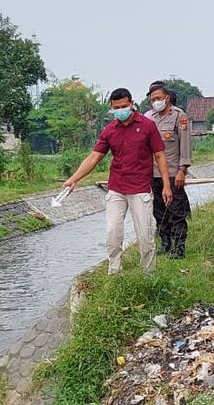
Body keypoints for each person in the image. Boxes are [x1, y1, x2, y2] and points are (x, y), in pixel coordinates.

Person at [63, 88, 173, 274]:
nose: (120, 110)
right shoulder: (109, 131)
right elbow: (94, 157)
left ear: (131, 104)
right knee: (113, 232)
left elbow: (160, 155)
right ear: (112, 108)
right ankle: (114, 272)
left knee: (145, 235)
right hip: (116, 188)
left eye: (124, 106)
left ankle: (149, 274)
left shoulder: (147, 126)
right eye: (116, 108)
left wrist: (166, 185)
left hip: (140, 188)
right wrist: (73, 179)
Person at [145, 82, 192, 258]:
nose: (155, 102)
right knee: (159, 211)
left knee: (176, 210)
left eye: (158, 98)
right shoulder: (150, 118)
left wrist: (182, 170)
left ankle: (179, 247)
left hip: (173, 172)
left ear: (167, 98)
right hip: (154, 173)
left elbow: (185, 145)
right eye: (152, 99)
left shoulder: (179, 116)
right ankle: (165, 244)